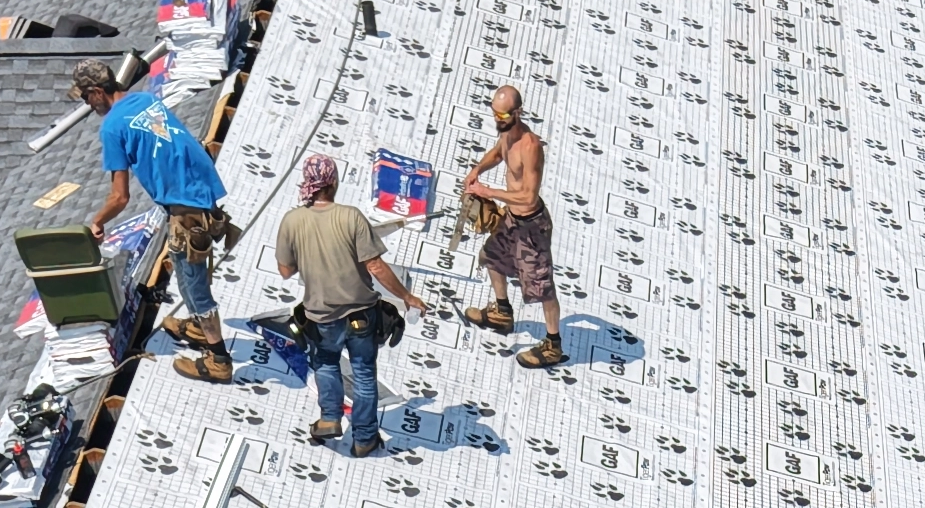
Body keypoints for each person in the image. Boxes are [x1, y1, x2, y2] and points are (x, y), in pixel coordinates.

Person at [76, 56, 234, 370]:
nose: (86, 104)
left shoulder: (112, 128)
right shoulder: (146, 99)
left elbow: (120, 197)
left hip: (187, 208)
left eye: (84, 97)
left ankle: (219, 359)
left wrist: (97, 222)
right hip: (200, 190)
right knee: (183, 270)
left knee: (194, 284)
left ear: (96, 91)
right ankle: (199, 326)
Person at [270, 152, 425, 453]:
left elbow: (286, 271)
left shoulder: (292, 221)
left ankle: (330, 417)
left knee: (326, 363)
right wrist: (407, 297)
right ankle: (365, 438)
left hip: (321, 315)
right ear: (334, 184)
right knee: (364, 374)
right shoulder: (351, 216)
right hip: (361, 315)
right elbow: (376, 267)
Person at [461, 82, 564, 372]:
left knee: (542, 287)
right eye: (495, 114)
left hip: (532, 226)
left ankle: (553, 345)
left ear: (517, 112)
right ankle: (502, 312)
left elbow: (528, 195)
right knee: (492, 257)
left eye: (503, 116)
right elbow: (497, 152)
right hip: (511, 219)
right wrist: (477, 170)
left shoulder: (530, 147)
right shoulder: (507, 133)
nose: (497, 120)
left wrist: (489, 192)